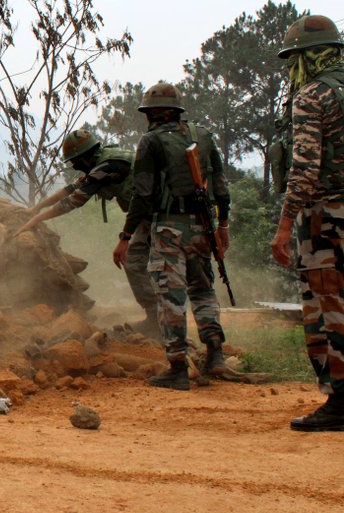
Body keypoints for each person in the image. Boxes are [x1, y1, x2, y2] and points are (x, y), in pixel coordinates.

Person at [112, 83, 231, 391]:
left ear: (151, 113)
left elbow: (143, 193)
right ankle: (215, 354)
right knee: (203, 290)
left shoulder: (151, 142)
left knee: (170, 296)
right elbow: (220, 186)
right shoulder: (203, 135)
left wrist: (126, 235)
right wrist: (222, 226)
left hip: (168, 228)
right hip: (202, 227)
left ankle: (177, 367)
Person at [270, 14, 344, 432]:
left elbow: (304, 169)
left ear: (305, 57)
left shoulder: (312, 96)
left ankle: (339, 403)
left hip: (325, 219)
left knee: (327, 309)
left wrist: (284, 225)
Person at [17, 129, 159, 338]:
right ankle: (157, 319)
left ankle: (160, 322)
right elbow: (70, 189)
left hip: (159, 216)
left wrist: (36, 220)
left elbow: (74, 200)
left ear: (85, 156)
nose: (74, 166)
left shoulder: (108, 166)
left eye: (75, 161)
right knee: (137, 261)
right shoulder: (102, 161)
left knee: (140, 262)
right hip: (148, 217)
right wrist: (36, 208)